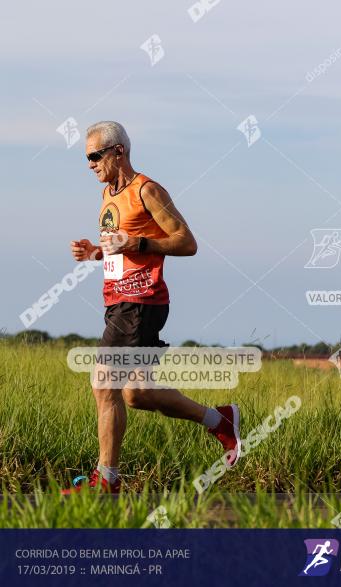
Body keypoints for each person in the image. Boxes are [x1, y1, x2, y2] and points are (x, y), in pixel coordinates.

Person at [63, 121, 240, 494]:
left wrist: (139, 242)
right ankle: (220, 420)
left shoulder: (147, 190)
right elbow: (121, 249)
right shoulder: (108, 196)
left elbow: (186, 242)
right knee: (137, 393)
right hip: (118, 301)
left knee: (103, 382)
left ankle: (106, 480)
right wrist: (95, 253)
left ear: (118, 152)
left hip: (140, 301)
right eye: (87, 158)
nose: (90, 164)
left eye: (95, 156)